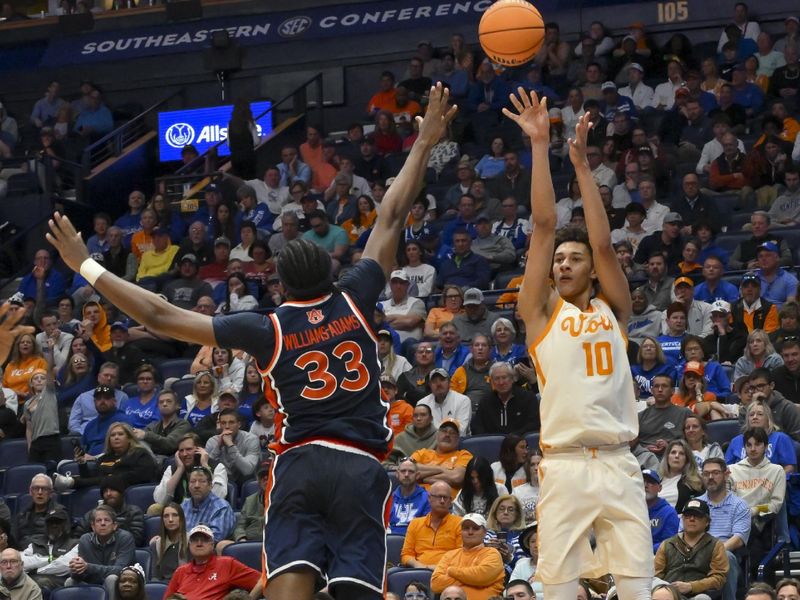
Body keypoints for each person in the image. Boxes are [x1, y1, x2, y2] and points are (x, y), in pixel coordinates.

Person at [48, 84, 458, 600]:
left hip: (302, 463)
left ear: (280, 285)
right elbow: (392, 215)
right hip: (360, 465)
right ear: (331, 272)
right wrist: (424, 141)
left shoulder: (267, 327)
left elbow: (158, 313)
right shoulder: (356, 295)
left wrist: (83, 264)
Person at [502, 88, 652, 600]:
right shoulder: (539, 313)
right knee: (560, 592)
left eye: (573, 258)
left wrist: (584, 169)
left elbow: (604, 242)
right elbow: (543, 225)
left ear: (591, 270)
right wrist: (540, 146)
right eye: (558, 259)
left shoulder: (615, 309)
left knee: (636, 589)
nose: (562, 264)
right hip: (564, 464)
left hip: (618, 461)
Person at [727, 427, 786, 566]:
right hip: (734, 520)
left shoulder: (776, 471)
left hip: (760, 523)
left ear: (766, 447)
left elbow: (776, 505)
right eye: (749, 445)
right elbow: (728, 500)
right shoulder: (732, 470)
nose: (753, 449)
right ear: (744, 447)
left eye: (758, 444)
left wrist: (755, 510)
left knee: (754, 550)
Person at [696, 457, 752, 600]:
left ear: (726, 474)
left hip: (725, 554)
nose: (710, 477)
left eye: (715, 473)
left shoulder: (740, 505)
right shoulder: (695, 504)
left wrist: (713, 552)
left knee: (726, 557)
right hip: (695, 553)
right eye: (706, 473)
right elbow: (682, 534)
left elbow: (738, 539)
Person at [654, 498, 729, 599]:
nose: (691, 519)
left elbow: (719, 579)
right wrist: (667, 590)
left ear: (707, 522)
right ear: (682, 519)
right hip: (670, 595)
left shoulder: (715, 545)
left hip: (698, 595)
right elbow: (656, 575)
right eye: (687, 515)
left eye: (697, 515)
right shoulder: (667, 544)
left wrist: (691, 586)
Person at [164, 524, 262, 599]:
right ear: (189, 545)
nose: (199, 543)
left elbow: (263, 580)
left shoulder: (226, 564)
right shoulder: (181, 571)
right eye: (194, 540)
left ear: (212, 544)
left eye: (204, 540)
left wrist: (250, 598)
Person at [431, 513, 505, 600]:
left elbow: (481, 577)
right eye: (466, 528)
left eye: (475, 528)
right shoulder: (449, 555)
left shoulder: (492, 553)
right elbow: (436, 584)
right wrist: (469, 578)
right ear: (461, 531)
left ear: (485, 532)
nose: (470, 532)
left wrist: (451, 571)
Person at [67, 504, 136, 596]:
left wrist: (88, 567)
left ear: (114, 525)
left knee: (111, 579)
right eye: (98, 520)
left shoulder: (125, 538)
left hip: (120, 584)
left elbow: (120, 570)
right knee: (70, 581)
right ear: (93, 526)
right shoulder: (85, 540)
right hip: (93, 583)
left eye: (106, 520)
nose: (103, 523)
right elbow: (81, 575)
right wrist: (75, 569)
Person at [153, 433, 228, 510]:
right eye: (181, 451)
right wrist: (179, 469)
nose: (184, 454)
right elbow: (160, 500)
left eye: (189, 449)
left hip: (208, 511)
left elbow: (218, 497)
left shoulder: (217, 467)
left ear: (199, 450)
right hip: (179, 515)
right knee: (154, 509)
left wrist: (205, 465)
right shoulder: (173, 468)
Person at [401, 480, 463, 569]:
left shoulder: (459, 523)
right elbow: (406, 555)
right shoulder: (415, 523)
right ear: (429, 498)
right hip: (418, 571)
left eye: (445, 497)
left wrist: (439, 568)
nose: (442, 501)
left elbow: (461, 556)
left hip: (447, 573)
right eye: (438, 497)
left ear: (450, 501)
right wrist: (418, 565)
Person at [725, 400, 796, 471]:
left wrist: (775, 479)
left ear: (768, 418)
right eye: (751, 414)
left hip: (771, 480)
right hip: (741, 480)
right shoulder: (736, 441)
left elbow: (789, 467)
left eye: (760, 414)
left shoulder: (780, 438)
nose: (755, 417)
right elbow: (726, 469)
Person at [471, 363, 540, 436]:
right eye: (497, 378)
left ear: (512, 379)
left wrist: (512, 438)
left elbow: (533, 425)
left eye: (504, 377)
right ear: (491, 382)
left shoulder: (528, 398)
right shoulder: (485, 401)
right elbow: (477, 428)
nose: (501, 382)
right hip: (492, 444)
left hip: (521, 442)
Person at [20, 507, 78, 592]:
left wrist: (37, 570)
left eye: (58, 522)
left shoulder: (74, 544)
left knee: (41, 582)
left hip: (61, 584)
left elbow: (66, 565)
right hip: (33, 581)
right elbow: (22, 563)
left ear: (65, 525)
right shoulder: (35, 544)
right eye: (50, 522)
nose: (54, 525)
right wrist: (48, 559)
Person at [638, 373, 693, 455]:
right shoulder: (640, 416)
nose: (660, 389)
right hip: (645, 457)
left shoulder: (685, 413)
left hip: (674, 456)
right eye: (656, 386)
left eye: (664, 386)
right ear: (652, 390)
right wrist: (645, 449)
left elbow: (694, 441)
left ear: (673, 391)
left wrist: (669, 447)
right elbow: (632, 444)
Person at [204, 408, 259, 484]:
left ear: (239, 424)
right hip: (221, 481)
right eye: (223, 423)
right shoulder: (212, 441)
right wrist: (218, 447)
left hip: (245, 481)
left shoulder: (251, 439)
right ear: (219, 425)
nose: (227, 426)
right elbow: (207, 470)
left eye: (231, 422)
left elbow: (248, 470)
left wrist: (230, 445)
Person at [223, 462, 271, 549]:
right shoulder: (250, 500)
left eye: (269, 474)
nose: (266, 478)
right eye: (262, 475)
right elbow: (240, 526)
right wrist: (242, 538)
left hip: (273, 542)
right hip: (249, 541)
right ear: (258, 479)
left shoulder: (284, 500)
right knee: (221, 545)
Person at [11, 474, 65, 551]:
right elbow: (13, 539)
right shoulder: (22, 514)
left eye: (44, 489)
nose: (40, 492)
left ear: (51, 493)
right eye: (36, 488)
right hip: (22, 555)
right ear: (30, 491)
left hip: (46, 555)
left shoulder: (59, 514)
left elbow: (61, 543)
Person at [135, 389, 192, 457]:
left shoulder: (183, 424)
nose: (164, 404)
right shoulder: (153, 425)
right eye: (161, 402)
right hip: (152, 461)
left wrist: (146, 436)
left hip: (173, 462)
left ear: (177, 405)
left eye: (169, 401)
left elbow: (169, 445)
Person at [417, 370, 472, 435]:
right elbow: (421, 431)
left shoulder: (463, 400)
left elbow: (461, 431)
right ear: (430, 385)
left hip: (458, 443)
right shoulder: (422, 403)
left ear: (449, 382)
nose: (438, 384)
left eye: (442, 380)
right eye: (434, 381)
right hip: (430, 444)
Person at [658, 439, 705, 513]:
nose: (677, 456)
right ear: (667, 457)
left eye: (681, 453)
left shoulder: (694, 482)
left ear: (687, 459)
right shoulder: (657, 481)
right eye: (673, 452)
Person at [484, 495, 526, 578]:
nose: (506, 512)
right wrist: (486, 550)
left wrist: (510, 558)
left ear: (517, 514)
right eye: (501, 509)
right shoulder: (485, 535)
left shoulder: (524, 536)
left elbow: (527, 566)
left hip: (518, 579)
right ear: (495, 512)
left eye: (511, 510)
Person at [389, 458, 431, 535]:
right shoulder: (389, 498)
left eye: (411, 472)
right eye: (403, 471)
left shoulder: (427, 498)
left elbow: (427, 528)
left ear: (417, 475)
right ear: (397, 474)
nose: (406, 475)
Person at [643, 469, 680, 553]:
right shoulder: (631, 510)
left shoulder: (669, 513)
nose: (645, 485)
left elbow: (670, 544)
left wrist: (644, 549)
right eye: (641, 482)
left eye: (651, 482)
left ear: (660, 488)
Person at [149, 502, 187, 581]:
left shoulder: (191, 541)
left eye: (175, 515)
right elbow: (155, 576)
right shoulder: (156, 544)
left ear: (181, 518)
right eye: (166, 516)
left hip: (185, 585)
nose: (170, 519)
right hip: (164, 587)